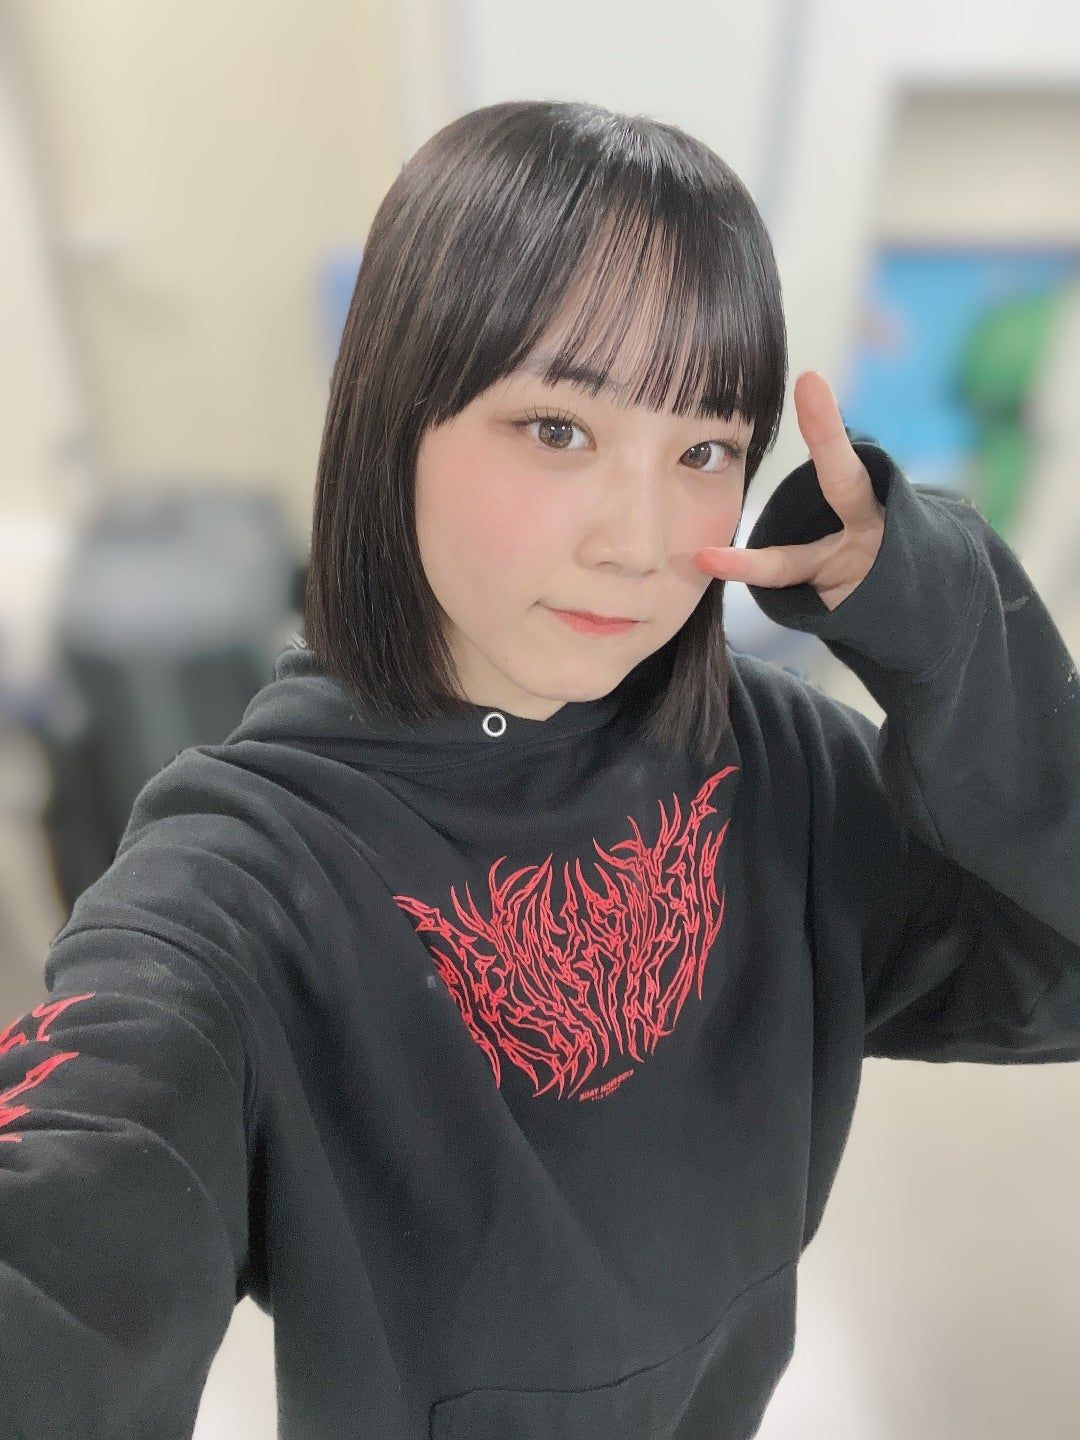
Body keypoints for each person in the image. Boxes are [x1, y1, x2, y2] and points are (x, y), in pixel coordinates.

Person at [2, 98, 1078, 1440]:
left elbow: (1056, 966)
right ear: (392, 420)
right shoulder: (245, 879)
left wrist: (938, 608)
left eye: (703, 450)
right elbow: (84, 1210)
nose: (638, 540)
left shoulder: (773, 762)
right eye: (559, 429)